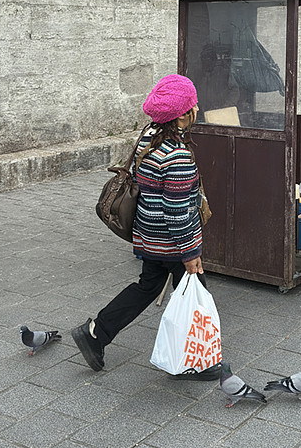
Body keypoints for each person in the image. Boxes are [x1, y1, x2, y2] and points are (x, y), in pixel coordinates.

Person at [71, 74, 220, 378]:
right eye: (193, 105)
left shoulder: (149, 137)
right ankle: (192, 360)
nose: (197, 108)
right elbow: (177, 213)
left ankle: (96, 333)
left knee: (148, 286)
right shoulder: (177, 156)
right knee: (194, 291)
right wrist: (191, 253)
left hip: (148, 235)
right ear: (182, 115)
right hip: (171, 242)